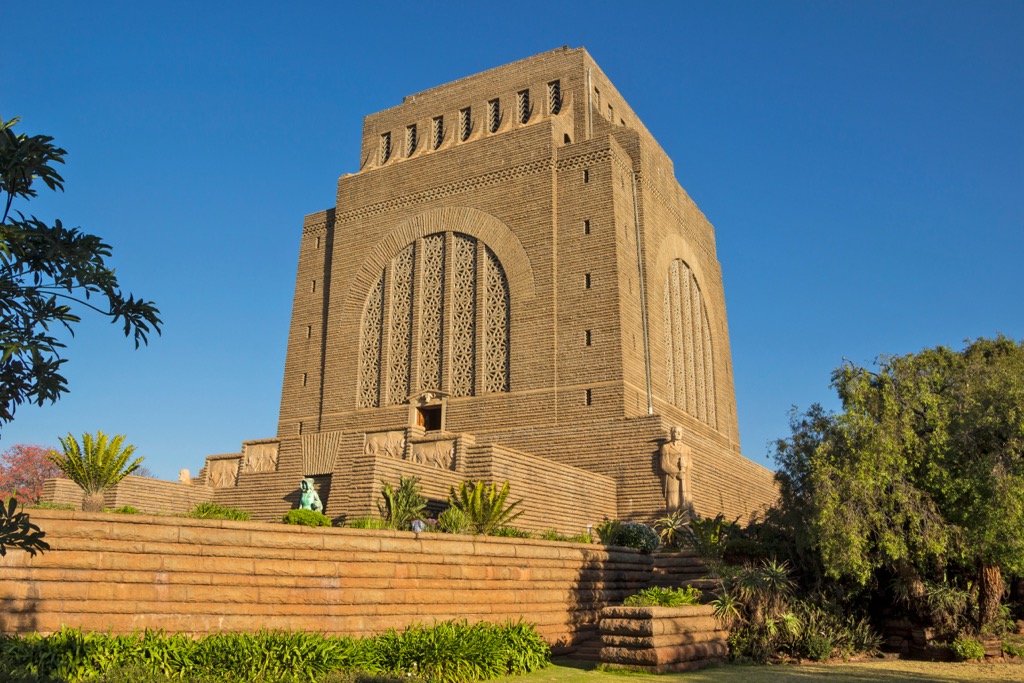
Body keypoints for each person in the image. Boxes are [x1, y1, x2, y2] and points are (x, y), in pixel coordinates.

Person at [659, 426, 692, 513]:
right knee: (672, 499)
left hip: (684, 476)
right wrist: (677, 472)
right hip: (672, 477)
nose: (678, 434)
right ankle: (673, 519)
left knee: (686, 498)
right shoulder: (666, 447)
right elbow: (664, 464)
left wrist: (684, 470)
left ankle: (686, 518)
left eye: (680, 432)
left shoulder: (687, 448)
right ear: (672, 433)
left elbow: (690, 463)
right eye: (676, 432)